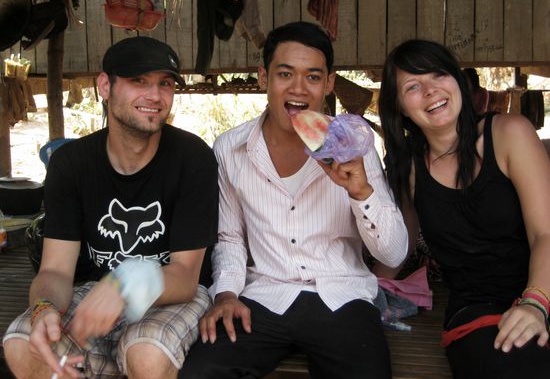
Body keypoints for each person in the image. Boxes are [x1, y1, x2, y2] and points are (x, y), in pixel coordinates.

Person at [179, 21, 408, 379]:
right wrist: (225, 294)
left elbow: (393, 254)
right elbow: (230, 238)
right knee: (201, 371)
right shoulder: (230, 148)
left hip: (342, 296)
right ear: (263, 78)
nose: (298, 88)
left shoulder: (353, 150)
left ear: (329, 83)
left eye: (313, 77)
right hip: (264, 296)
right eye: (285, 74)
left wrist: (361, 192)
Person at [2, 36, 219, 379]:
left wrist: (127, 283)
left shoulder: (193, 158)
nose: (155, 95)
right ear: (105, 86)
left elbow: (185, 277)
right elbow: (55, 271)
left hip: (171, 295)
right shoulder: (71, 163)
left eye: (165, 83)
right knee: (22, 343)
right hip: (97, 289)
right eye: (139, 81)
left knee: (146, 352)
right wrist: (43, 308)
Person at [377, 38, 550, 378]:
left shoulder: (509, 133)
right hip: (479, 310)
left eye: (438, 74)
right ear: (399, 106)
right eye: (412, 86)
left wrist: (535, 303)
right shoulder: (407, 166)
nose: (430, 90)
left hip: (542, 289)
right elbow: (401, 243)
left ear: (457, 80)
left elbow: (545, 233)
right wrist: (363, 288)